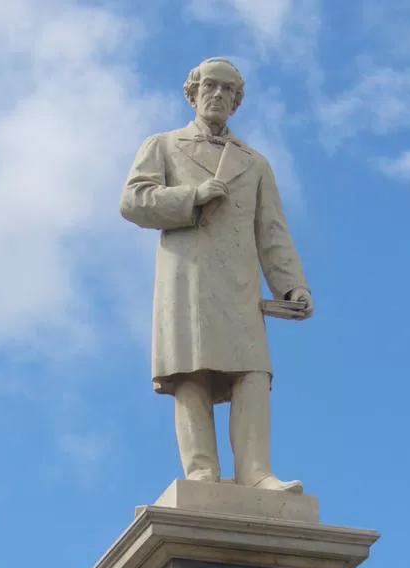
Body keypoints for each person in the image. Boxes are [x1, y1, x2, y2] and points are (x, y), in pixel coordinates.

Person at [120, 57, 313, 493]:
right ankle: (201, 471)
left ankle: (256, 471)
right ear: (193, 93)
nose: (219, 95)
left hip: (240, 282)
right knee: (192, 371)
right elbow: (133, 200)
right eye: (210, 86)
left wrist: (292, 285)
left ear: (237, 102)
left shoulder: (255, 163)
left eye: (228, 90)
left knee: (253, 371)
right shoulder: (164, 145)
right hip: (187, 277)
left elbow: (272, 231)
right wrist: (192, 197)